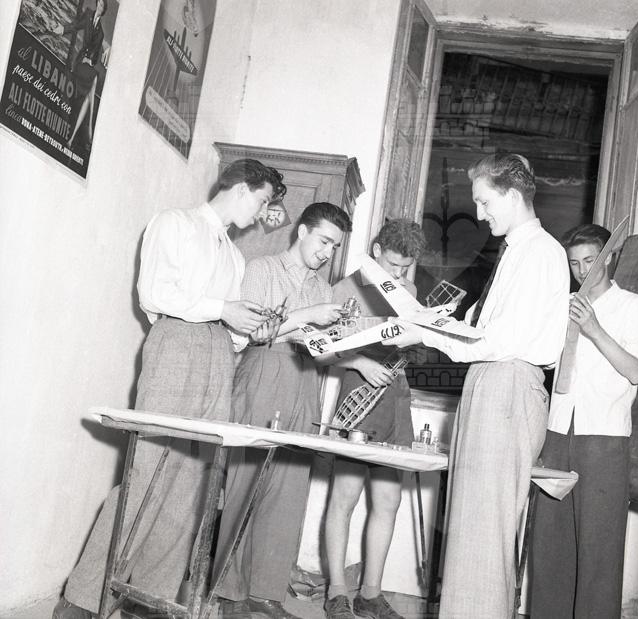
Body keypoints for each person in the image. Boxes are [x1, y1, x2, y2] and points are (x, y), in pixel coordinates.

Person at [53, 158, 286, 619]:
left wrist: (250, 330)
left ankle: (147, 600)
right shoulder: (174, 223)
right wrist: (223, 308)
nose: (263, 214)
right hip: (176, 345)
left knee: (193, 487)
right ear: (242, 188)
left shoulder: (235, 256)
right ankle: (82, 599)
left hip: (218, 357)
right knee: (147, 475)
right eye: (262, 201)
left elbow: (230, 327)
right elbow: (155, 294)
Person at [382, 153, 569, 618]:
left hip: (507, 385)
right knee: (471, 529)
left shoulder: (540, 252)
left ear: (512, 195)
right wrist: (434, 324)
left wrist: (425, 334)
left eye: (485, 202)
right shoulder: (518, 252)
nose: (480, 215)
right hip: (492, 382)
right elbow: (487, 331)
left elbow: (500, 342)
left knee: (484, 531)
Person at [213, 202, 352, 619]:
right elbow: (256, 332)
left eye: (335, 246)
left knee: (290, 490)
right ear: (302, 231)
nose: (327, 253)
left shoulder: (323, 288)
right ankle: (230, 594)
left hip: (305, 380)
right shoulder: (262, 269)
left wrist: (344, 338)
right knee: (246, 482)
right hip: (264, 370)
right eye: (323, 241)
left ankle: (266, 592)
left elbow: (321, 351)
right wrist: (310, 317)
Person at [530, 224, 638, 619]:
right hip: (558, 431)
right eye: (574, 263)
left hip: (604, 438)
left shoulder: (632, 307)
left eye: (590, 260)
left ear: (608, 258)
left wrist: (593, 329)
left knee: (599, 548)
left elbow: (636, 371)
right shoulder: (562, 304)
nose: (582, 270)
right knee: (549, 544)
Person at [323, 219, 426, 619]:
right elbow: (319, 347)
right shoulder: (346, 289)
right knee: (345, 496)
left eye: (406, 268)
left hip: (396, 395)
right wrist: (360, 362)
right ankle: (336, 592)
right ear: (377, 250)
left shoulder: (408, 291)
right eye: (393, 265)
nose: (399, 275)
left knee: (388, 500)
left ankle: (370, 594)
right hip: (360, 392)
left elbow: (414, 342)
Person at [54, 0, 111, 149]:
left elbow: (95, 56)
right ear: (97, 4)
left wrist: (90, 60)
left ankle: (73, 137)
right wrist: (63, 29)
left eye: (102, 6)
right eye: (99, 4)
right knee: (92, 84)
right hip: (79, 63)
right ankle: (89, 131)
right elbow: (75, 25)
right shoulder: (88, 15)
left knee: (88, 95)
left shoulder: (101, 32)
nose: (99, 7)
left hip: (87, 65)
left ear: (104, 10)